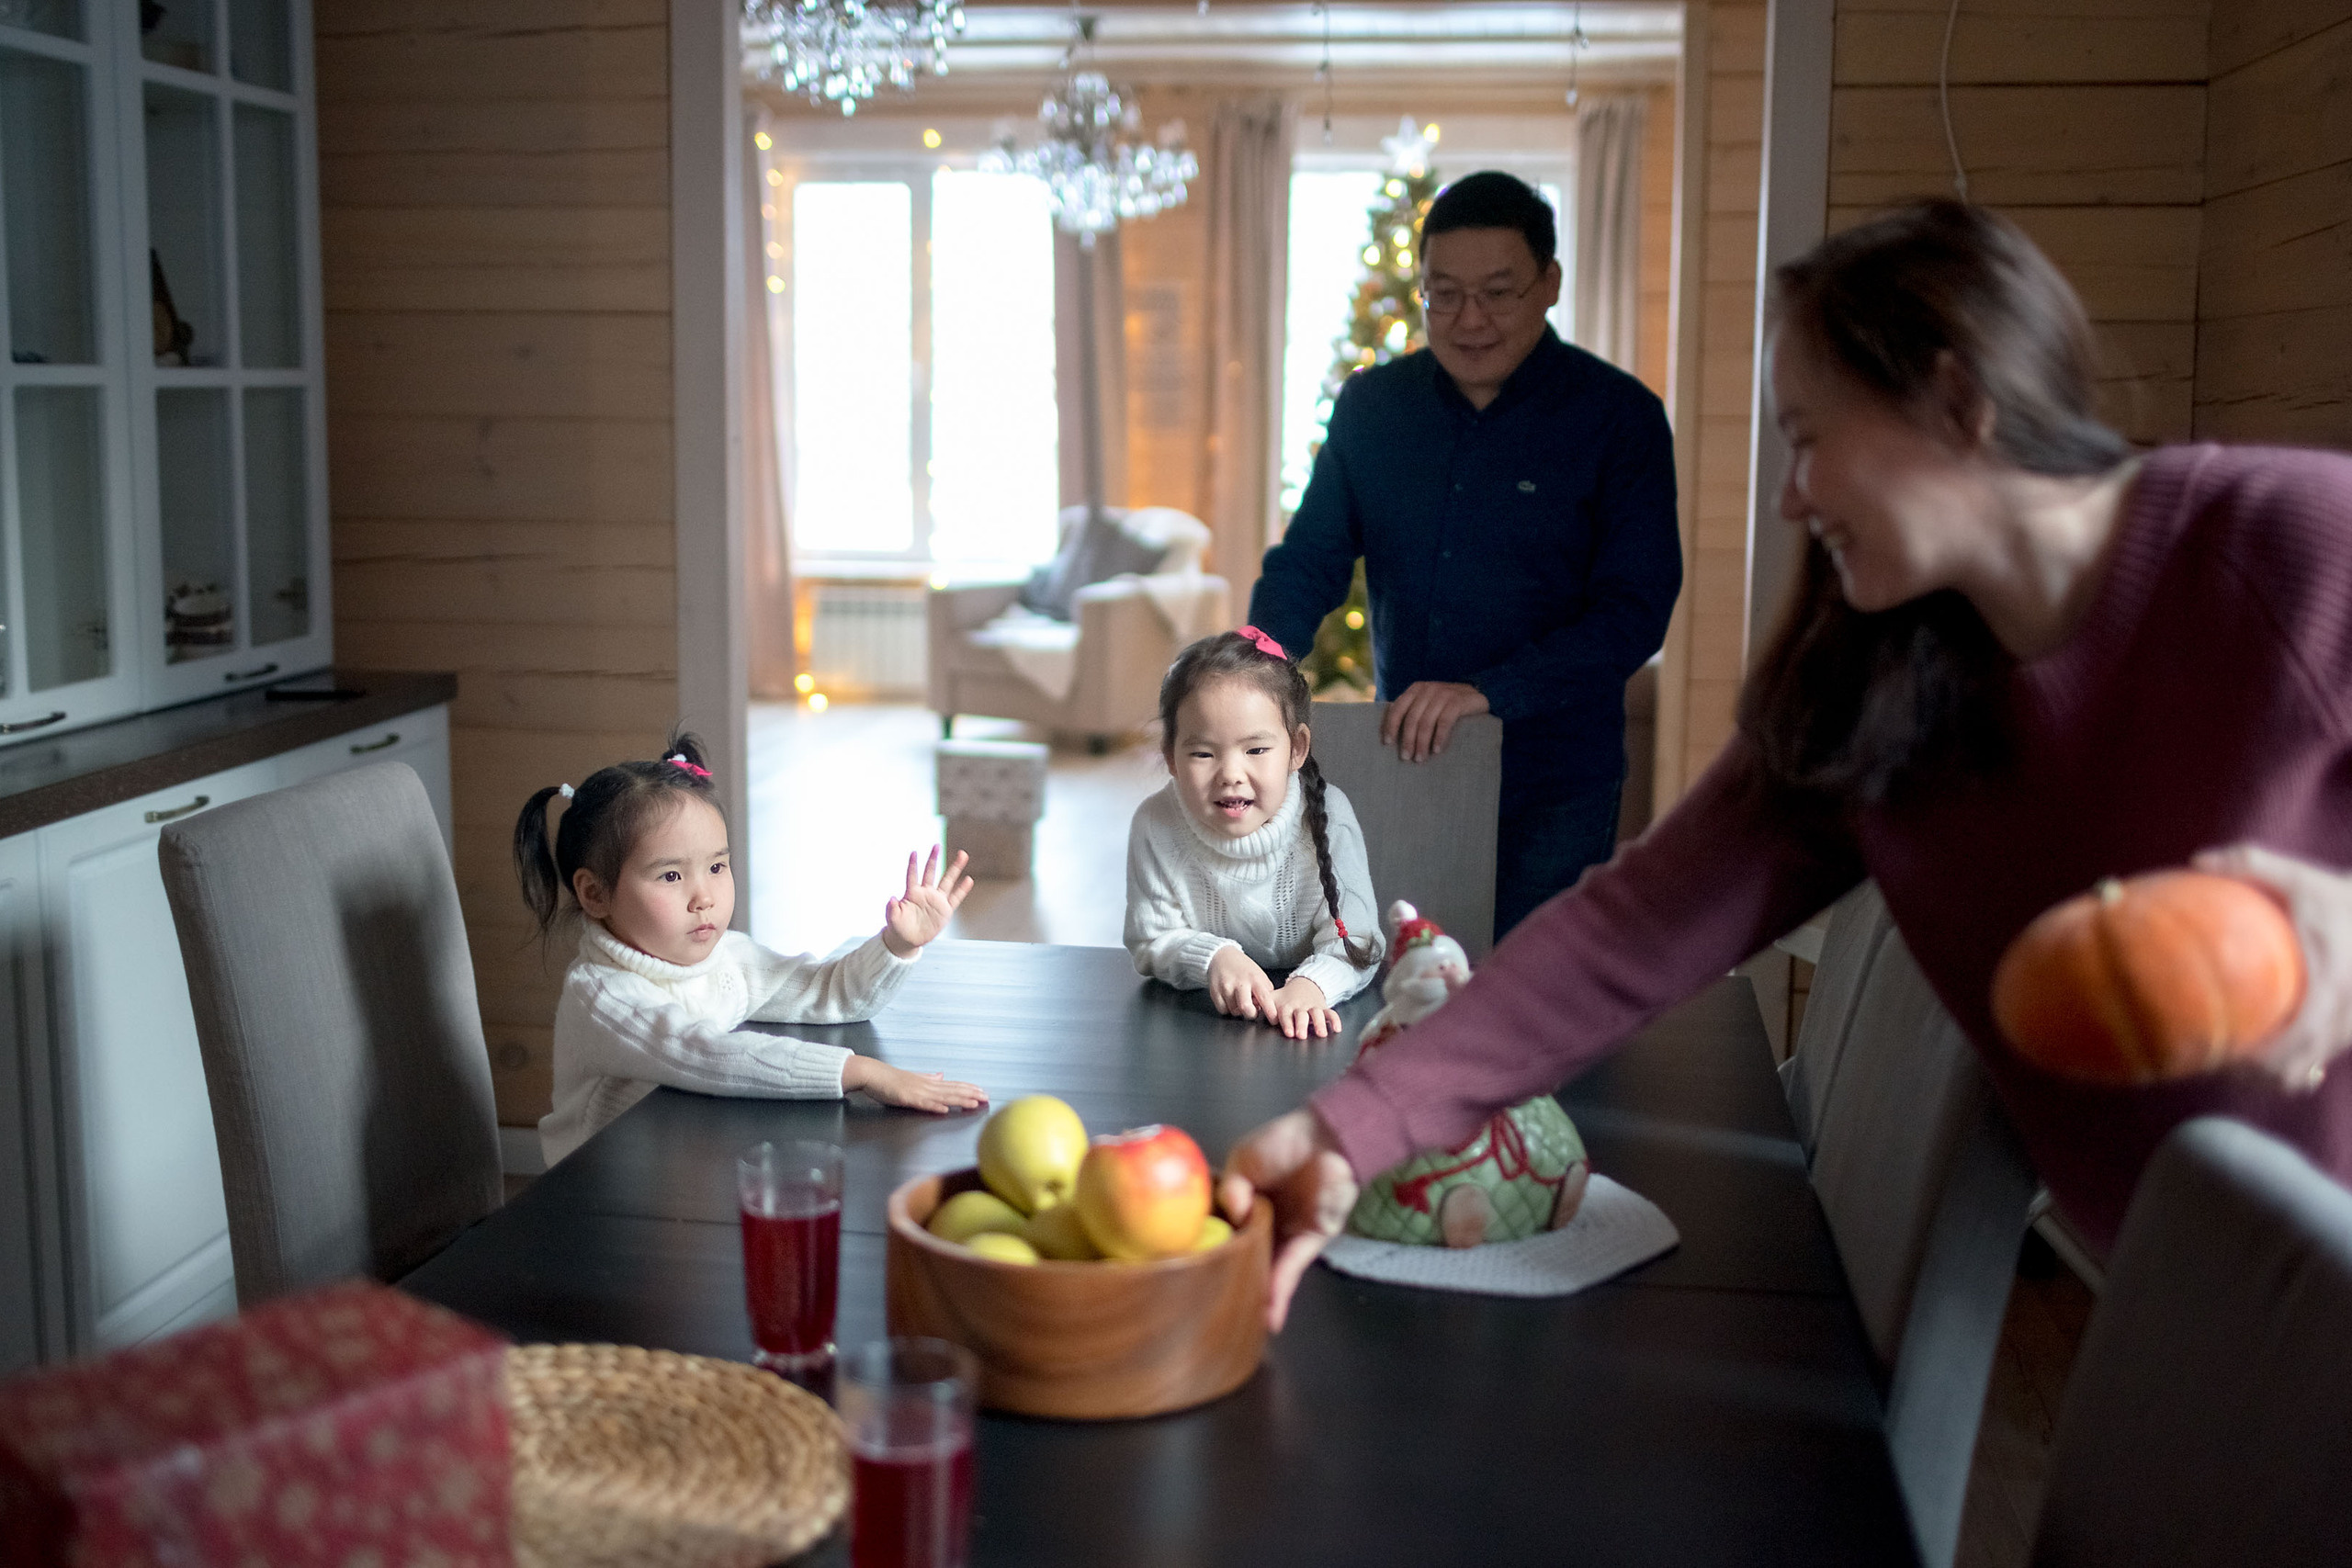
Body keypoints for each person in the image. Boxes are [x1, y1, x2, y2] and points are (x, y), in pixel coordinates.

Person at [1222, 199, 2352, 1330]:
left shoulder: (2295, 542)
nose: (1788, 496)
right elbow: (1628, 931)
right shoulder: (1866, 683)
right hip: (2179, 1308)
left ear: (1956, 404)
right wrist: (1341, 1131)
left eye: (1809, 439)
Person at [1248, 170, 1682, 938]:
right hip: (1413, 763)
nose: (1468, 319)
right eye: (1442, 293)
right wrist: (1254, 665)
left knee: (1529, 1001)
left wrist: (1490, 690)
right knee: (1399, 980)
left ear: (1549, 284)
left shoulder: (1620, 419)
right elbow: (1310, 558)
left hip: (1557, 775)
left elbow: (1633, 611)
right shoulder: (1374, 409)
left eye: (1498, 293)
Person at [513, 733, 988, 1166]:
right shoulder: (602, 997)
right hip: (596, 1203)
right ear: (595, 894)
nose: (705, 897)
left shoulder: (727, 958)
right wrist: (858, 1071)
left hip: (682, 1161)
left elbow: (830, 993)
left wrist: (896, 946)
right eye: (672, 875)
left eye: (717, 867)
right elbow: (703, 1052)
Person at [1125, 627, 1385, 1040]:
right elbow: (1151, 937)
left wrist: (1312, 986)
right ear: (1171, 757)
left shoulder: (1328, 816)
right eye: (1202, 753)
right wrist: (1214, 958)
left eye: (1256, 750)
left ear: (1296, 749)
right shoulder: (1156, 823)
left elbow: (1358, 940)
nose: (1231, 774)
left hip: (1302, 1030)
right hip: (1201, 1031)